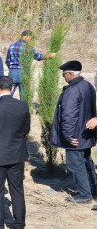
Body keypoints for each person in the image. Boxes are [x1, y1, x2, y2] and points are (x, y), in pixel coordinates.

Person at [0, 76, 30, 229]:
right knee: (17, 189)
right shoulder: (23, 105)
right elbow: (25, 130)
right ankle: (19, 224)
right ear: (12, 88)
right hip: (16, 154)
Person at [50, 60, 97, 204]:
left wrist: (68, 136)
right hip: (87, 133)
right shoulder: (88, 85)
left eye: (64, 74)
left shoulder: (72, 90)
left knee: (76, 165)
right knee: (87, 162)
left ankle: (84, 195)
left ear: (70, 74)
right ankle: (93, 190)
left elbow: (69, 116)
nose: (64, 77)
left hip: (75, 135)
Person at [5, 30, 56, 99]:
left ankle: (5, 108)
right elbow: (38, 57)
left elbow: (7, 61)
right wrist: (49, 56)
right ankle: (22, 109)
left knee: (8, 95)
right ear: (25, 36)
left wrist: (12, 69)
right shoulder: (28, 47)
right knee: (24, 97)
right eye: (30, 38)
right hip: (23, 73)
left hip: (12, 72)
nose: (31, 40)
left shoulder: (12, 46)